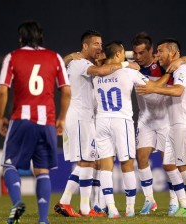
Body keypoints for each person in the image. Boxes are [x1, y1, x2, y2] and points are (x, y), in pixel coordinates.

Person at [54, 30, 139, 217]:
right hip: (78, 117)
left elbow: (108, 59)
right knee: (87, 161)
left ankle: (80, 205)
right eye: (95, 44)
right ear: (84, 46)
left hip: (85, 117)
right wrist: (125, 63)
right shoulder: (80, 63)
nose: (99, 48)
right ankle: (72, 203)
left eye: (101, 44)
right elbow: (101, 70)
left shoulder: (81, 61)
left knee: (90, 161)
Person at [0, 21, 71, 224]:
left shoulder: (13, 57)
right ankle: (43, 220)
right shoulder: (54, 57)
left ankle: (17, 201)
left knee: (9, 165)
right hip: (46, 121)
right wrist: (62, 118)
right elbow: (66, 90)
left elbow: (3, 89)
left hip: (21, 118)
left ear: (21, 38)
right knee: (42, 170)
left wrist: (0, 116)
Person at [135, 38, 186, 217]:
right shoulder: (174, 69)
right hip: (174, 125)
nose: (158, 55)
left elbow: (178, 90)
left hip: (185, 123)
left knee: (185, 166)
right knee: (170, 165)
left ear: (172, 52)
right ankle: (183, 206)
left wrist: (154, 89)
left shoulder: (182, 69)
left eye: (160, 51)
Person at [93, 41, 148, 218]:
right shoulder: (128, 72)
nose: (126, 55)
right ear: (118, 55)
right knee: (127, 164)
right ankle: (130, 208)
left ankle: (112, 209)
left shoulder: (97, 74)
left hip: (101, 121)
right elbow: (148, 86)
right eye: (123, 53)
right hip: (121, 120)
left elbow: (108, 62)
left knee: (105, 166)